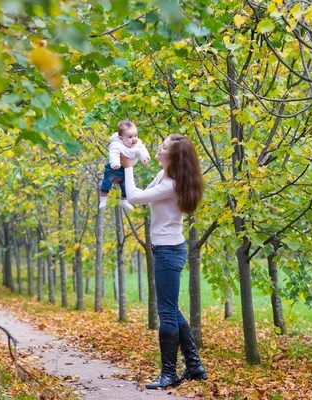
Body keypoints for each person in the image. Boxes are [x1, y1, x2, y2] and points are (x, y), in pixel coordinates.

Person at [121, 134, 207, 390]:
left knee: (166, 312)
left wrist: (128, 168)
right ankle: (194, 366)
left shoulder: (172, 184)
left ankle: (169, 374)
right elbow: (147, 198)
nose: (159, 148)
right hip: (165, 247)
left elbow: (135, 197)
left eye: (164, 147)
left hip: (169, 251)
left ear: (174, 156)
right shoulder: (163, 177)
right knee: (171, 308)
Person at [99, 120, 150, 210]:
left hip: (127, 169)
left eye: (135, 135)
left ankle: (124, 201)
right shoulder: (116, 144)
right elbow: (113, 153)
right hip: (114, 168)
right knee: (107, 182)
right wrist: (115, 163)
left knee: (126, 186)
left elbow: (142, 151)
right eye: (130, 137)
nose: (134, 139)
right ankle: (103, 198)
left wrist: (145, 158)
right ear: (121, 138)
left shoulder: (138, 144)